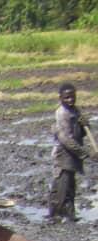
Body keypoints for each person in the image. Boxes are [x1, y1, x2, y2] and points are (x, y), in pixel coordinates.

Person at [48, 82, 90, 222]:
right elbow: (66, 139)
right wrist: (85, 153)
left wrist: (85, 125)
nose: (70, 100)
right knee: (61, 187)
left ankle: (70, 215)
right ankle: (56, 216)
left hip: (72, 156)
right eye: (67, 98)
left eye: (73, 97)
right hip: (63, 155)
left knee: (70, 187)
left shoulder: (75, 111)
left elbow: (80, 134)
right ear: (60, 98)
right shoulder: (62, 113)